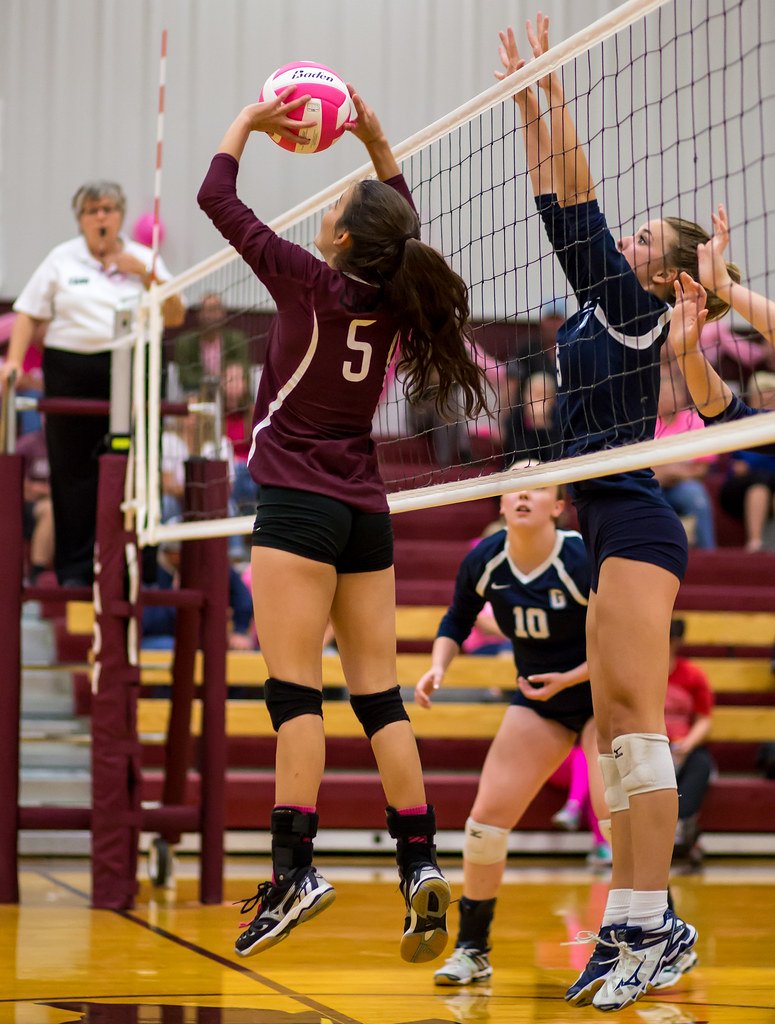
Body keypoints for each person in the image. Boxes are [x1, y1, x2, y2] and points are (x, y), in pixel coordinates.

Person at [197, 84, 488, 961]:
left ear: (340, 238)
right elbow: (404, 220)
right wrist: (371, 131)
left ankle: (293, 873)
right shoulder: (396, 294)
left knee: (293, 696)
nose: (324, 210)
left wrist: (249, 117)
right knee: (378, 698)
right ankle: (419, 863)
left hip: (295, 501)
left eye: (331, 207)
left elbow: (218, 199)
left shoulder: (305, 281)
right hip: (365, 508)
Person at [499, 17, 740, 1009]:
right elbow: (552, 193)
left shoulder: (636, 306)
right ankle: (640, 924)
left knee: (638, 733)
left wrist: (560, 90)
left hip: (637, 523)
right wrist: (527, 102)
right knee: (617, 737)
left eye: (644, 237)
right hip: (601, 527)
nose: (624, 236)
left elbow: (580, 195)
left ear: (661, 270)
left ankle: (647, 924)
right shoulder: (598, 301)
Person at [415, 483, 607, 987]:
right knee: (485, 822)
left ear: (559, 506)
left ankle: (656, 935)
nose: (524, 496)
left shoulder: (579, 558)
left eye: (539, 488)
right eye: (514, 489)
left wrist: (569, 679)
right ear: (500, 504)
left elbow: (620, 637)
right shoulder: (485, 559)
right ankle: (473, 948)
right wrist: (438, 667)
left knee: (618, 816)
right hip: (539, 703)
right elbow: (456, 619)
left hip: (601, 692)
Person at [2, 181, 183, 586]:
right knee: (73, 473)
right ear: (81, 219)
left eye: (108, 209)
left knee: (139, 467)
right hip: (72, 370)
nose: (101, 217)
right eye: (92, 210)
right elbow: (28, 312)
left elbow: (174, 315)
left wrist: (149, 274)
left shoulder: (142, 257)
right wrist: (13, 362)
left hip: (135, 368)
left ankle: (142, 569)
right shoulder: (60, 260)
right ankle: (77, 571)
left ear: (120, 215)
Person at [665, 618, 715, 864]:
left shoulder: (692, 675)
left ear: (678, 642)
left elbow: (704, 719)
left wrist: (687, 745)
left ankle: (682, 826)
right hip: (651, 744)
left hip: (684, 746)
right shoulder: (642, 671)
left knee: (700, 765)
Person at [654, 364, 717, 549]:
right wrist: (674, 470)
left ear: (681, 395)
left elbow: (701, 469)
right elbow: (646, 471)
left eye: (671, 392)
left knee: (696, 495)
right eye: (662, 393)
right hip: (654, 484)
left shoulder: (695, 421)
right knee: (645, 497)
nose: (667, 397)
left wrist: (671, 472)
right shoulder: (645, 425)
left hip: (684, 484)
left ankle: (709, 554)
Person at [173, 292, 250, 395]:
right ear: (199, 314)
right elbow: (185, 377)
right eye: (208, 310)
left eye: (215, 309)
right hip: (196, 394)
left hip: (230, 396)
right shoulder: (185, 342)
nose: (212, 315)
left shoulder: (236, 340)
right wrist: (217, 379)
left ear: (223, 313)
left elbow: (243, 372)